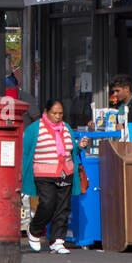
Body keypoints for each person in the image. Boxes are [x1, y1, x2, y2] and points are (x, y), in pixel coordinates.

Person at [20, 99, 87, 254]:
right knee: (48, 203)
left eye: (60, 113)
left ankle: (58, 241)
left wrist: (80, 146)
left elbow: (71, 150)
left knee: (63, 208)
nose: (58, 116)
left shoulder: (66, 128)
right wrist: (22, 174)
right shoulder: (34, 129)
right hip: (43, 173)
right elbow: (25, 153)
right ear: (46, 112)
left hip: (65, 172)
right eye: (54, 113)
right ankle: (34, 230)